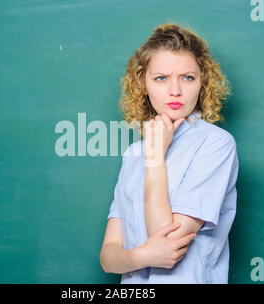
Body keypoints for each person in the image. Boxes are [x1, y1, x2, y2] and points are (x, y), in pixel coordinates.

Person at [99, 22, 239, 284]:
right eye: (161, 78)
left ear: (202, 83)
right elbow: (108, 257)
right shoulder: (133, 154)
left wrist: (154, 159)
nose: (175, 90)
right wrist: (140, 257)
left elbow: (168, 243)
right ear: (144, 84)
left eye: (187, 77)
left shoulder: (216, 144)